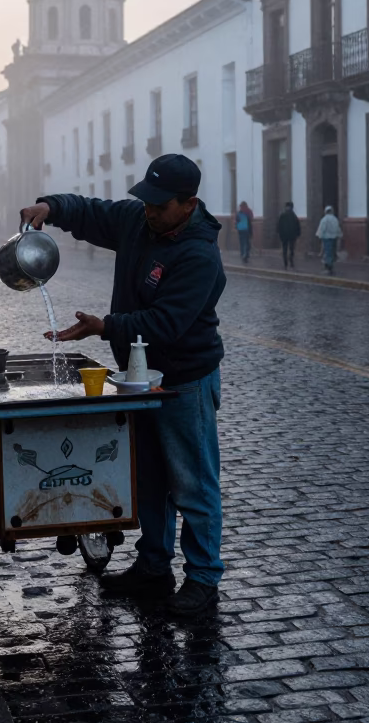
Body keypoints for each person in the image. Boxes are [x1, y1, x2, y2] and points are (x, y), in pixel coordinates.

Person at [20, 153, 226, 617]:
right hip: (138, 378)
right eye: (146, 201)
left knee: (193, 484)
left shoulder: (198, 254)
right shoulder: (140, 219)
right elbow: (93, 212)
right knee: (149, 479)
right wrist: (50, 207)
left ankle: (204, 578)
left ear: (188, 203)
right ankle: (154, 566)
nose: (149, 211)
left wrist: (103, 326)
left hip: (184, 380)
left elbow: (166, 322)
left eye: (160, 205)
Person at [316, 205, 343, 273]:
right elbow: (338, 228)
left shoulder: (324, 219)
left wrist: (319, 235)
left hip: (326, 238)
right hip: (334, 237)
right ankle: (330, 265)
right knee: (332, 252)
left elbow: (322, 229)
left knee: (327, 252)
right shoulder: (335, 219)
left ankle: (328, 267)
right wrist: (339, 235)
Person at [277, 201, 301, 268]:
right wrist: (298, 234)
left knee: (284, 249)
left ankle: (285, 263)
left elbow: (279, 225)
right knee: (292, 248)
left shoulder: (282, 215)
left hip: (284, 235)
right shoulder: (294, 215)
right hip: (292, 235)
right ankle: (291, 259)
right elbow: (297, 225)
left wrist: (279, 233)